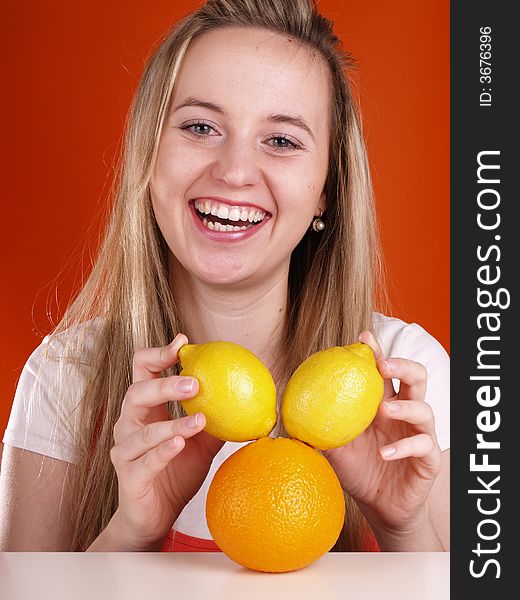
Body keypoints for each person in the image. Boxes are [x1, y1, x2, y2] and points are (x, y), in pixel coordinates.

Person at [0, 0, 449, 553]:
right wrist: (131, 531)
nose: (234, 172)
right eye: (201, 127)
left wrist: (402, 528)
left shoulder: (403, 382)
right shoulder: (66, 376)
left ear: (327, 189)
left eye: (281, 140)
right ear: (149, 154)